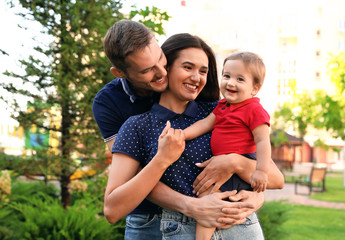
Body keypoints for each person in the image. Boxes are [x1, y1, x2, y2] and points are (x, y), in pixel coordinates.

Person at [93, 20, 269, 240]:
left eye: (203, 70)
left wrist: (250, 186)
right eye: (187, 67)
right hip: (154, 220)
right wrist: (163, 161)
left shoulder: (219, 111)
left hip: (237, 225)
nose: (160, 73)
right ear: (121, 72)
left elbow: (270, 174)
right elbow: (124, 187)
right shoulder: (121, 112)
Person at [183, 51, 272, 239]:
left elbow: (263, 140)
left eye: (240, 79)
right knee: (207, 197)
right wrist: (182, 135)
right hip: (223, 165)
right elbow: (205, 124)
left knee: (207, 196)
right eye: (226, 76)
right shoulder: (223, 106)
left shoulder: (254, 109)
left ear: (255, 88)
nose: (230, 83)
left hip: (240, 166)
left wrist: (262, 171)